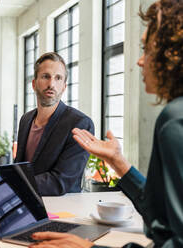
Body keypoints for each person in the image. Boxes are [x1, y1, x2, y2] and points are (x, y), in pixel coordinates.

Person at [30, 0, 183, 247]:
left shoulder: (175, 120)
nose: (140, 61)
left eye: (147, 49)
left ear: (172, 54)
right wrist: (119, 163)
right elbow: (161, 215)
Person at [15, 52, 94, 196]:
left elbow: (61, 181)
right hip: (27, 205)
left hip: (62, 211)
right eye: (46, 76)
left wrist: (14, 183)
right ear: (34, 83)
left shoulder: (80, 124)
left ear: (64, 86)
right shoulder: (25, 120)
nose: (51, 84)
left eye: (58, 78)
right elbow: (19, 166)